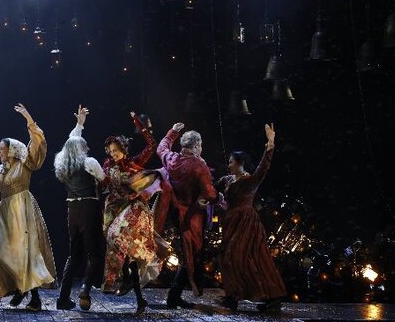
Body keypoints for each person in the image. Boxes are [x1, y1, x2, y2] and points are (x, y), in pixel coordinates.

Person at [0, 103, 56, 312]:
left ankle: (33, 296)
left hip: (23, 207)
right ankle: (20, 288)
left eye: (1, 148)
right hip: (7, 212)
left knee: (27, 251)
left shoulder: (24, 162)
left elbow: (37, 142)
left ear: (10, 149)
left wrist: (28, 117)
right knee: (1, 251)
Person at [216, 124, 286, 312]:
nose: (228, 164)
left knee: (246, 258)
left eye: (231, 162)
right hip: (232, 222)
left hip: (246, 223)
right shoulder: (228, 180)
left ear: (239, 163)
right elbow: (212, 187)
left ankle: (272, 298)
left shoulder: (249, 181)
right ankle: (233, 295)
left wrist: (270, 145)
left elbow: (263, 168)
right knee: (229, 257)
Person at [98, 112, 160, 314]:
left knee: (126, 248)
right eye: (110, 150)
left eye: (116, 150)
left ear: (123, 149)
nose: (113, 153)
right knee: (118, 248)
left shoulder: (135, 163)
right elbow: (103, 184)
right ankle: (137, 297)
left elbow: (152, 145)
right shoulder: (108, 166)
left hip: (131, 211)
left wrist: (139, 124)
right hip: (113, 210)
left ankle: (130, 288)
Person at [157, 122, 221, 309]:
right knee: (192, 256)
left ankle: (174, 295)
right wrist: (219, 197)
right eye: (200, 145)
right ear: (195, 146)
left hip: (177, 214)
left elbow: (162, 147)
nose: (201, 148)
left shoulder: (172, 159)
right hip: (192, 217)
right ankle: (174, 295)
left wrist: (173, 132)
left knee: (187, 255)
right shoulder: (198, 164)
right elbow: (210, 193)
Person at [53, 105, 105, 311]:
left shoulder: (63, 163)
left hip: (71, 211)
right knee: (95, 253)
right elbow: (102, 178)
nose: (88, 149)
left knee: (74, 255)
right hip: (88, 209)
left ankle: (63, 298)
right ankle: (85, 288)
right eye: (85, 146)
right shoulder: (89, 163)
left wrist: (80, 125)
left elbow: (70, 142)